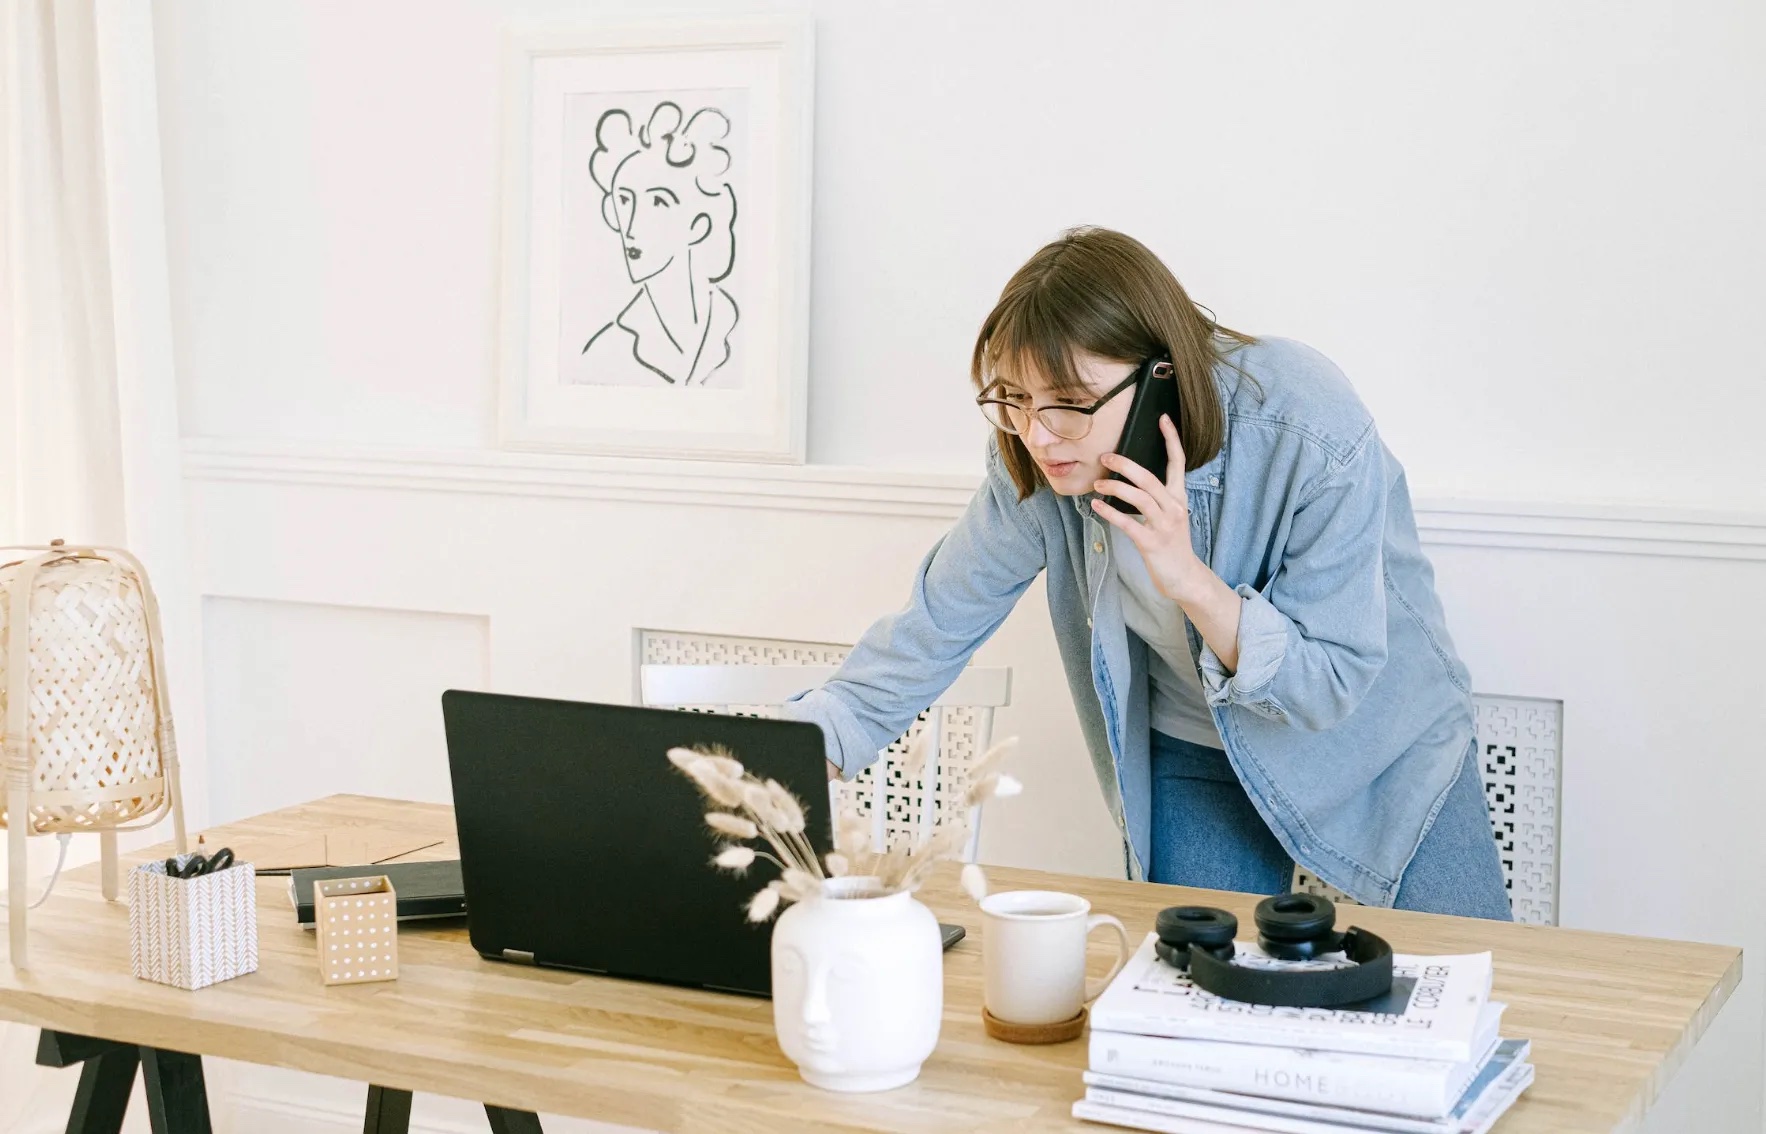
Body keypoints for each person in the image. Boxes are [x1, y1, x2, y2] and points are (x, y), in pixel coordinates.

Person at [782, 226, 1510, 919]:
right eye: (1014, 399)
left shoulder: (1303, 421)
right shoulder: (1036, 460)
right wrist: (788, 757)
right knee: (1189, 1012)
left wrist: (1187, 577)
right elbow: (932, 630)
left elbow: (1330, 683)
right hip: (1195, 750)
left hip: (1380, 744)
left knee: (1478, 985)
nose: (1038, 434)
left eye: (1068, 403)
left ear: (1161, 375)